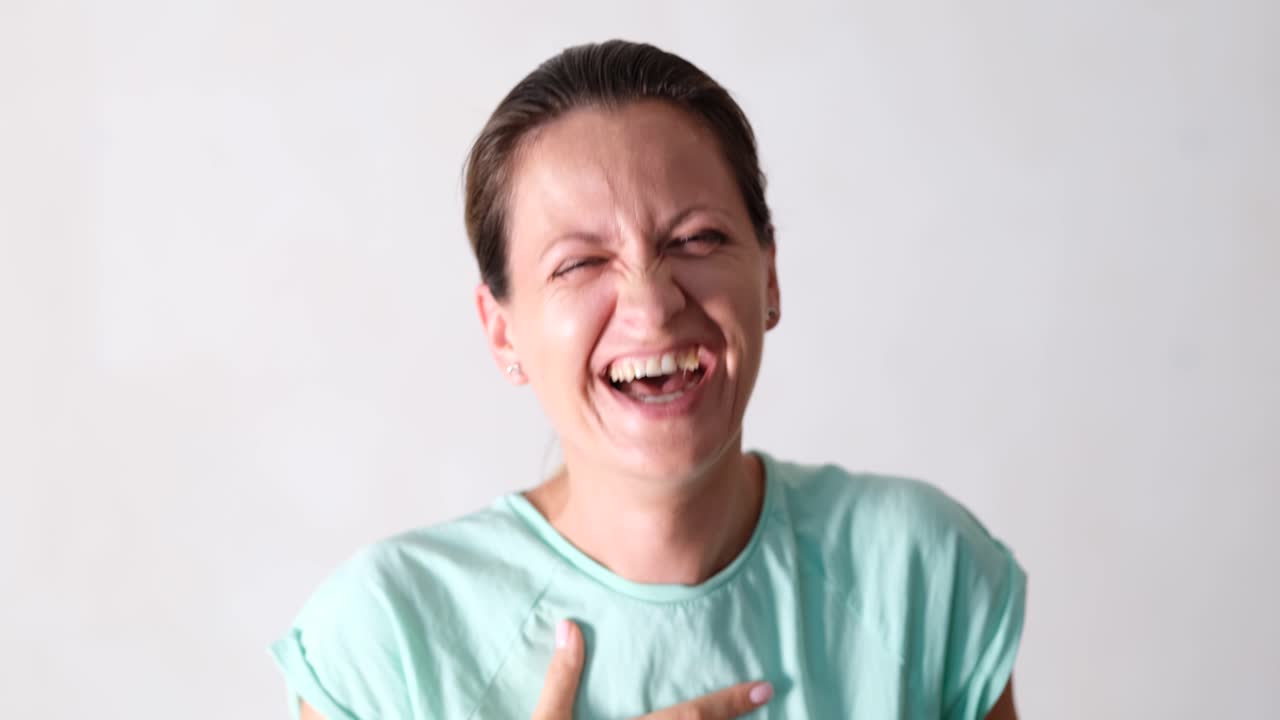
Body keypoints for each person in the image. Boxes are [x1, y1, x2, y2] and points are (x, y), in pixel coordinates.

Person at [269, 40, 1026, 719]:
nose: (653, 304)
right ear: (503, 329)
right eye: (580, 263)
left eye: (697, 239)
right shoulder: (384, 643)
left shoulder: (921, 572)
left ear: (768, 275)